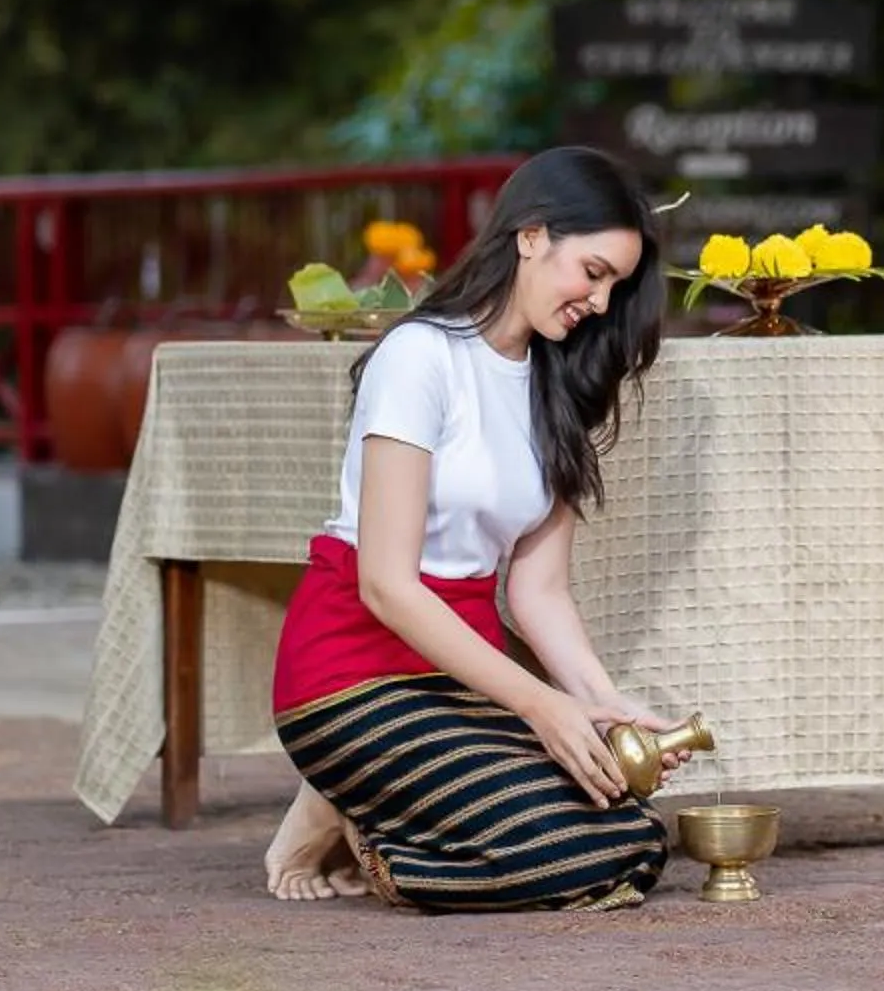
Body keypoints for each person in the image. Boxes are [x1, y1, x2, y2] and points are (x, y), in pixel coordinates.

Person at [262, 146, 687, 913]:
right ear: (531, 235)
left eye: (614, 286)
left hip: (466, 677)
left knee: (635, 836)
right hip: (347, 672)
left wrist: (602, 705)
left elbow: (538, 591)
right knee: (568, 856)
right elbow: (386, 585)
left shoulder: (558, 386)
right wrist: (541, 705)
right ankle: (364, 829)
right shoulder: (420, 357)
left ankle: (370, 809)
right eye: (592, 272)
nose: (599, 302)